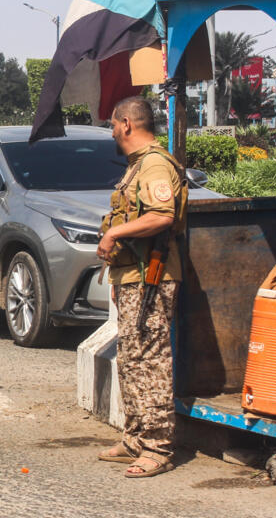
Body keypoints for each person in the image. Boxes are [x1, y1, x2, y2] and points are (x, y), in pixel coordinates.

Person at [95, 96, 187, 479]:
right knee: (132, 358)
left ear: (127, 124)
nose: (113, 131)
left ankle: (157, 446)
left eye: (115, 124)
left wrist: (115, 232)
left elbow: (162, 216)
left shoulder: (153, 164)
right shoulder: (137, 166)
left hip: (153, 275)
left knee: (150, 360)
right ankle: (135, 436)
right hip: (132, 276)